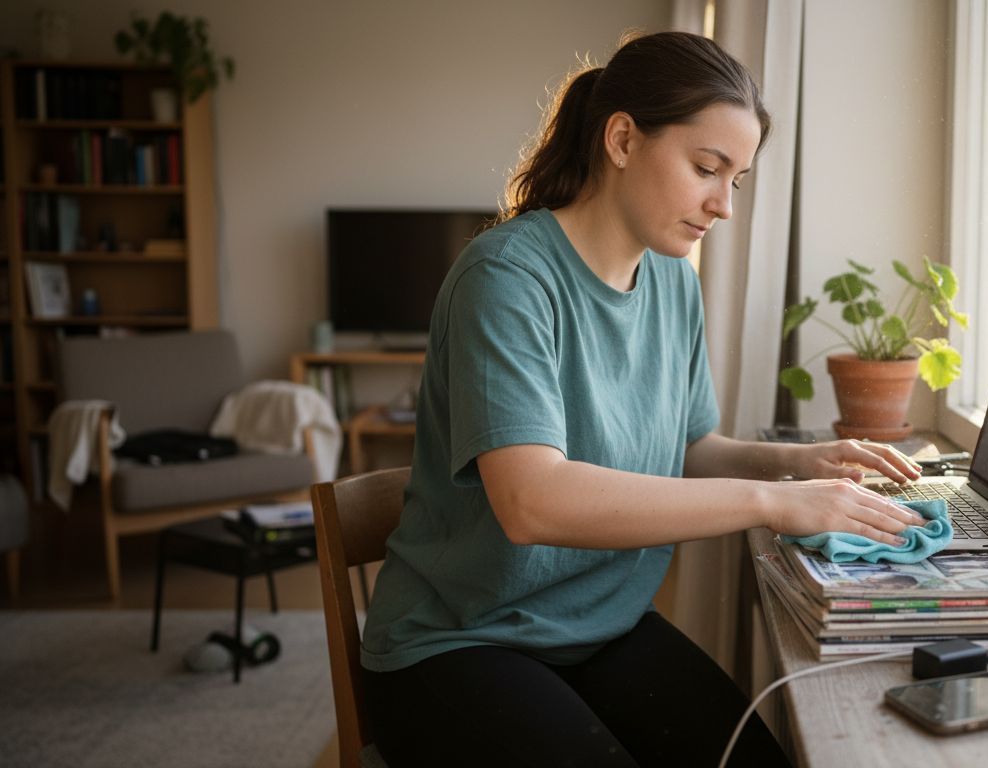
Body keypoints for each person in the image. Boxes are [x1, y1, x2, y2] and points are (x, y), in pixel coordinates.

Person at [360, 31, 926, 767]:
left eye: (738, 180)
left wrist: (799, 464)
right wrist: (773, 505)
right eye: (705, 168)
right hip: (459, 643)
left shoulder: (672, 280)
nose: (723, 205)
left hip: (600, 626)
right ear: (622, 139)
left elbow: (690, 448)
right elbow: (532, 502)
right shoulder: (505, 279)